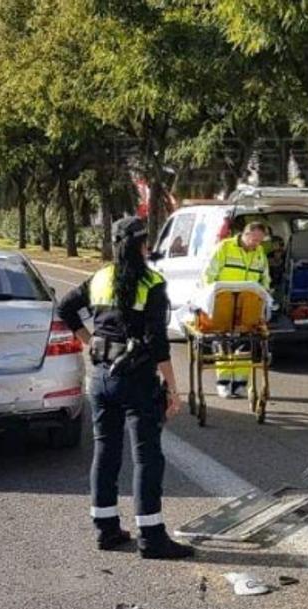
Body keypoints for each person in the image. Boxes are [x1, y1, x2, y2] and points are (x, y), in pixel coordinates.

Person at [56, 216, 194, 559]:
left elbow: (66, 307)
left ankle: (106, 530)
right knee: (147, 458)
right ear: (143, 245)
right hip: (136, 379)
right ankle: (152, 538)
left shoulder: (100, 277)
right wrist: (173, 391)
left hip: (101, 377)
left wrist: (90, 342)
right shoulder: (152, 283)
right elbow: (158, 345)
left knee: (105, 452)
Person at [203, 220, 271, 398]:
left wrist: (264, 296)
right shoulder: (224, 248)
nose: (257, 244)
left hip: (248, 303)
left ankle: (240, 383)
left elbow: (265, 277)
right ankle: (224, 383)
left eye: (260, 241)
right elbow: (208, 274)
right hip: (224, 301)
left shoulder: (259, 252)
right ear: (245, 234)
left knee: (246, 343)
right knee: (223, 342)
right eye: (254, 240)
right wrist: (211, 297)